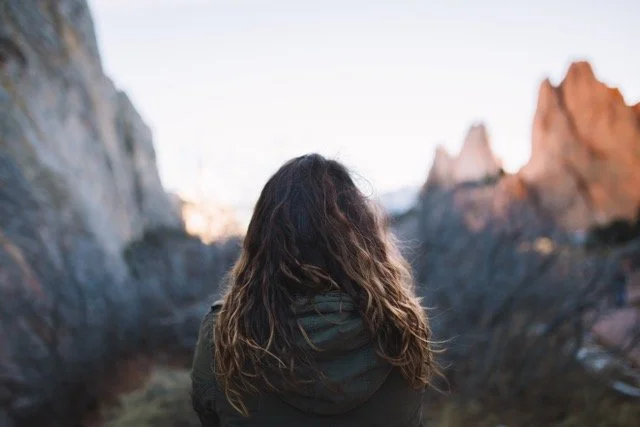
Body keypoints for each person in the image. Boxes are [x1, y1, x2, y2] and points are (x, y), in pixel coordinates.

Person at [191, 154, 439, 427]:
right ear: (364, 240)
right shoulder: (403, 332)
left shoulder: (222, 337)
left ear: (262, 243)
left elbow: (209, 415)